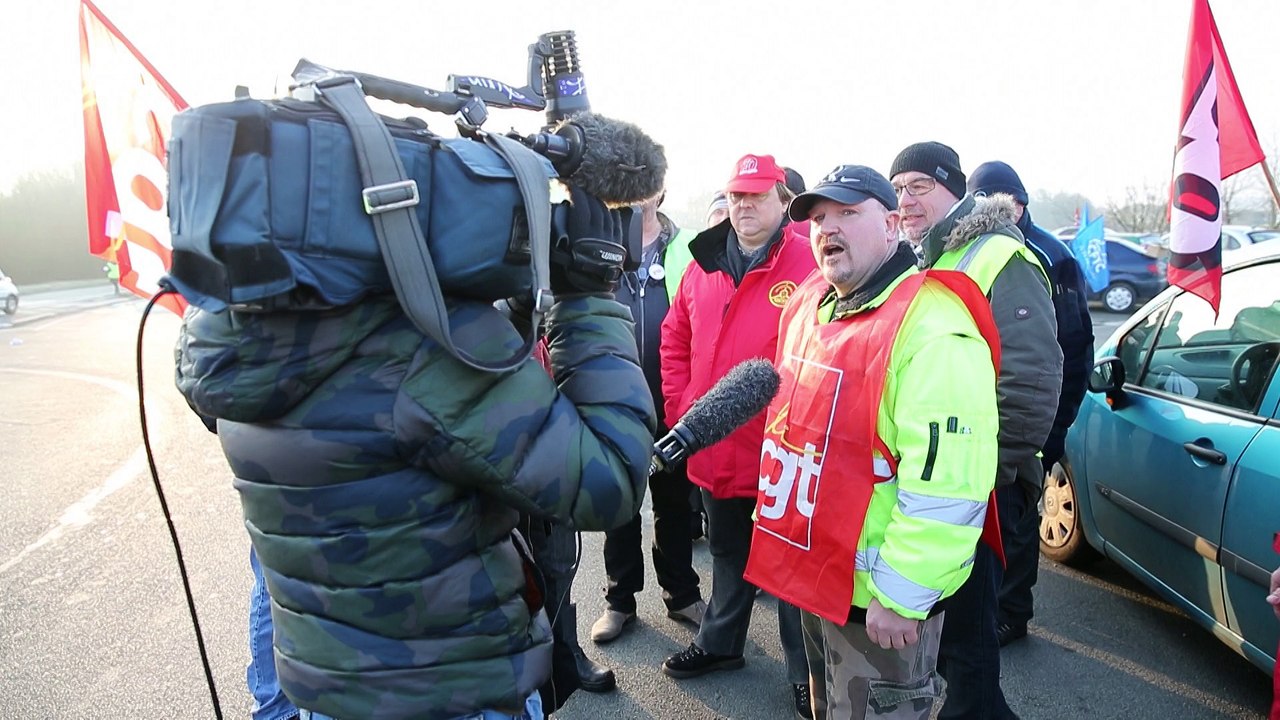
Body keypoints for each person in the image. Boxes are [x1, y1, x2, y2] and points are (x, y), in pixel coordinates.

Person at [175, 187, 656, 720]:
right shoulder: (422, 349)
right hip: (454, 691)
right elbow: (609, 481)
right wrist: (587, 301)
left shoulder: (236, 340)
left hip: (330, 691)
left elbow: (450, 417)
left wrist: (514, 310)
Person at [744, 163, 1000, 720]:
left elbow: (949, 485)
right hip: (817, 581)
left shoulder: (935, 330)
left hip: (879, 607)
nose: (826, 228)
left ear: (890, 224)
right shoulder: (814, 303)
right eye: (817, 217)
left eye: (846, 213)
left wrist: (904, 595)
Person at [889, 141, 1063, 720]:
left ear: (954, 188)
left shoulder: (997, 256)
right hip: (946, 482)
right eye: (896, 189)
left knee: (969, 643)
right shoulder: (928, 257)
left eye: (918, 185)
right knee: (952, 634)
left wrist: (987, 474)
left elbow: (1033, 379)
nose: (905, 200)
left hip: (981, 485)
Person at [659, 153, 815, 719]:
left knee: (792, 572)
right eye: (736, 196)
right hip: (716, 450)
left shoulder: (809, 260)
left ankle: (808, 674)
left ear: (782, 201)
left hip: (783, 455)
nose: (744, 206)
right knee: (727, 555)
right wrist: (685, 412)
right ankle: (721, 644)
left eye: (756, 196)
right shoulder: (703, 260)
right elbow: (674, 337)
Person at [967, 161, 1095, 646]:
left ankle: (1012, 613)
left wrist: (1056, 427)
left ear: (1020, 203)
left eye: (1002, 200)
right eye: (982, 201)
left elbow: (1074, 347)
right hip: (991, 414)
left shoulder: (1049, 255)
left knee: (1020, 522)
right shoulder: (977, 249)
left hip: (1036, 416)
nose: (995, 210)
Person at [590, 190, 706, 644]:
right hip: (613, 403)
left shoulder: (689, 246)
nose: (635, 197)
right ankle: (619, 601)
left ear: (660, 190)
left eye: (644, 185)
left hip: (673, 400)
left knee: (675, 506)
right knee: (618, 507)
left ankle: (681, 594)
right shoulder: (597, 244)